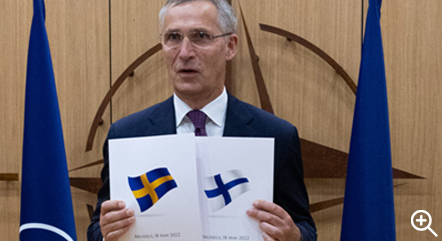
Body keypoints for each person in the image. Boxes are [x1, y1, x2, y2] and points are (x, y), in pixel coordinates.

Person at [87, 0, 317, 240]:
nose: (185, 52)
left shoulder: (276, 135)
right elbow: (95, 230)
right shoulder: (127, 135)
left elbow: (305, 228)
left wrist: (294, 236)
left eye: (201, 36)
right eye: (173, 37)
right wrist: (106, 234)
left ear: (230, 46)